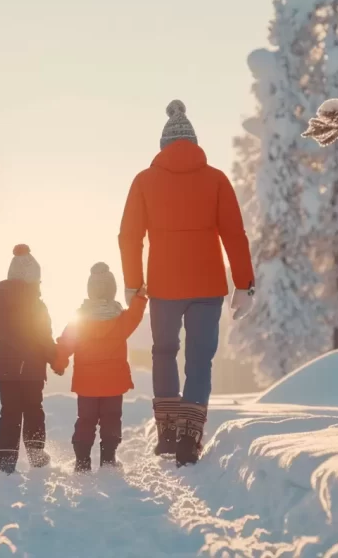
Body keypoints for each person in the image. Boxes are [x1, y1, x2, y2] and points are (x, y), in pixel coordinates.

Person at [118, 100, 255, 467]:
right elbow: (235, 235)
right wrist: (244, 284)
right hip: (208, 285)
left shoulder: (144, 181)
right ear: (194, 143)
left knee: (164, 352)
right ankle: (189, 437)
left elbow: (129, 236)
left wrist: (133, 284)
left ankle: (166, 432)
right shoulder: (216, 179)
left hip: (163, 286)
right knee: (200, 359)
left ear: (163, 146)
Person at [53, 263, 148, 472]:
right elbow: (136, 314)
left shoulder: (79, 320)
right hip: (113, 383)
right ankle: (108, 460)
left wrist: (59, 362)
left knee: (85, 420)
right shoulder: (121, 319)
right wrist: (140, 297)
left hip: (86, 383)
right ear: (112, 290)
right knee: (111, 419)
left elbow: (65, 343)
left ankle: (82, 462)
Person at [0, 244, 56, 474]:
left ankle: (6, 462)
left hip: (5, 365)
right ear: (34, 279)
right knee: (33, 408)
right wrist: (54, 356)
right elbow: (43, 335)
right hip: (32, 366)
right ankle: (35, 454)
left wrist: (5, 338)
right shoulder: (36, 301)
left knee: (9, 412)